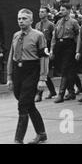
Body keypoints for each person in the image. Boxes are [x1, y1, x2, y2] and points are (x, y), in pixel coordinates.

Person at [7, 9, 49, 144]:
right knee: (28, 105)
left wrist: (43, 78)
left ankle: (18, 139)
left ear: (31, 20)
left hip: (31, 72)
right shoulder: (15, 35)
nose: (21, 21)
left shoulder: (38, 35)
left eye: (24, 18)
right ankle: (41, 134)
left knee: (23, 105)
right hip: (18, 72)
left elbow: (44, 57)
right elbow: (11, 57)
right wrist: (9, 77)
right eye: (19, 18)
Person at [51, 4, 80, 103]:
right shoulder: (58, 22)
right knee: (65, 70)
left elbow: (78, 36)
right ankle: (71, 92)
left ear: (68, 10)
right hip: (59, 46)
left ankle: (61, 94)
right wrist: (52, 49)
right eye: (60, 10)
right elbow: (54, 37)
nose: (61, 11)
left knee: (65, 70)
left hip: (69, 46)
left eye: (63, 10)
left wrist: (77, 50)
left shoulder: (73, 22)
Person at [34, 6, 56, 102]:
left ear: (47, 13)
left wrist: (52, 51)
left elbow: (53, 39)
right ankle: (52, 91)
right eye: (40, 12)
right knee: (43, 73)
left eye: (43, 12)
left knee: (43, 71)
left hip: (46, 49)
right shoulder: (37, 25)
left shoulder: (51, 25)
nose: (40, 13)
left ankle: (39, 94)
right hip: (39, 50)